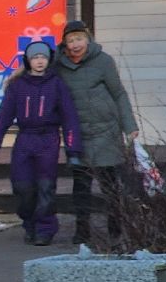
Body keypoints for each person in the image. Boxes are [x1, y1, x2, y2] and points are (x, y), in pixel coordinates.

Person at [0, 41, 81, 245]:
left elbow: (69, 118)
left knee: (46, 187)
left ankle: (45, 230)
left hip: (48, 140)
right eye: (35, 58)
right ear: (28, 61)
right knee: (23, 188)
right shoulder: (17, 86)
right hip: (25, 140)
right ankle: (29, 223)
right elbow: (3, 116)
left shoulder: (57, 84)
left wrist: (73, 149)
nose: (39, 61)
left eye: (43, 57)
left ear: (49, 60)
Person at [54, 19, 140, 244]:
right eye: (70, 40)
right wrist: (15, 78)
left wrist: (129, 126)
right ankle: (82, 232)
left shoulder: (104, 61)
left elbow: (119, 93)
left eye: (79, 39)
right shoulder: (58, 64)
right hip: (78, 136)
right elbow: (35, 68)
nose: (75, 45)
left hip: (106, 132)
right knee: (81, 187)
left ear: (88, 39)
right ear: (64, 43)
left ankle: (116, 230)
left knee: (110, 185)